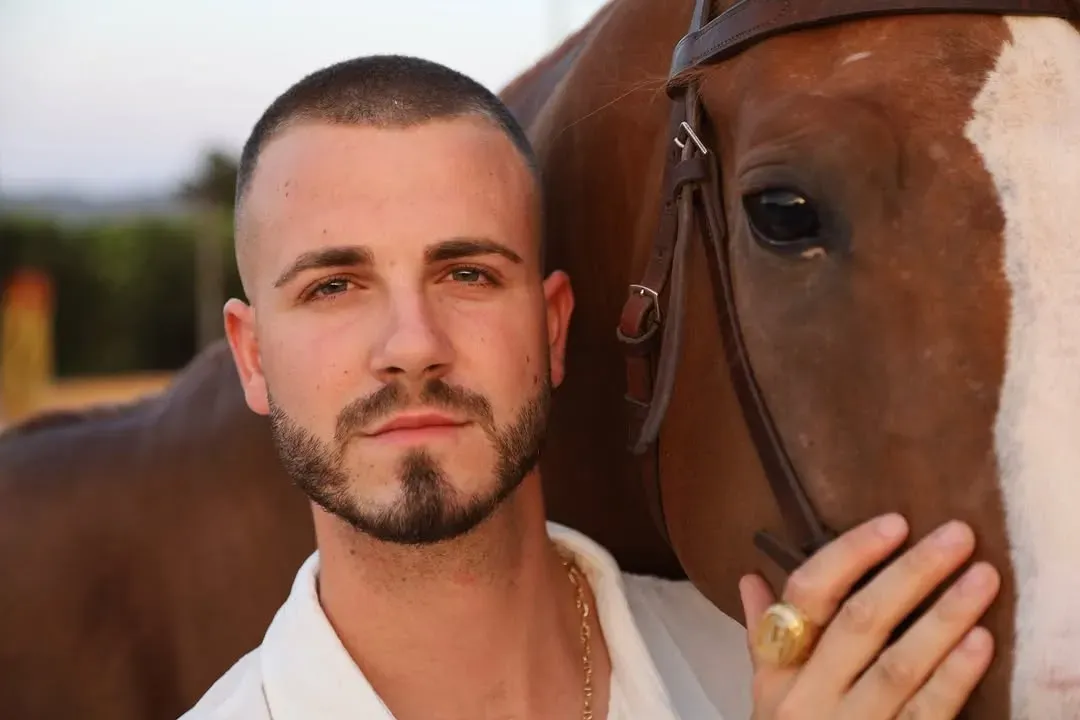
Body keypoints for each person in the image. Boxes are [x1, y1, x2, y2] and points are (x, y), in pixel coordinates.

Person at [180, 54, 1001, 720]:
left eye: (467, 273)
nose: (413, 348)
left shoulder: (795, 678)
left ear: (553, 328)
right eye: (334, 287)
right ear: (252, 357)